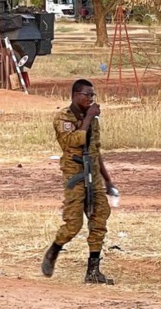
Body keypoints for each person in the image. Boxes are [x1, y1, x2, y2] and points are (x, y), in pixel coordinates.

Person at [42, 79, 118, 284]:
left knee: (99, 217)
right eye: (87, 95)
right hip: (75, 174)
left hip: (93, 175)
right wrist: (89, 118)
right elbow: (73, 141)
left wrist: (108, 180)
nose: (90, 99)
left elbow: (95, 149)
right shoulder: (63, 118)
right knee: (73, 224)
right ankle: (54, 250)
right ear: (75, 95)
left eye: (93, 95)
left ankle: (93, 271)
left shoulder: (92, 120)